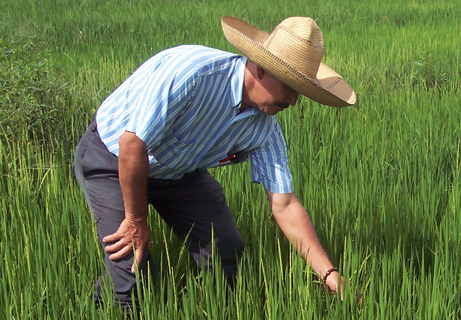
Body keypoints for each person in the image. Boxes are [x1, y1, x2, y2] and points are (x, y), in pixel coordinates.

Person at [73, 16, 356, 309]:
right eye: (290, 86)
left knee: (224, 253)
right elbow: (132, 144)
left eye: (302, 91)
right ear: (260, 67)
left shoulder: (264, 129)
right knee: (134, 277)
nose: (294, 100)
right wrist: (136, 220)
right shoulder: (193, 74)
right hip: (113, 159)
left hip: (178, 172)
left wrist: (329, 275)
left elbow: (285, 205)